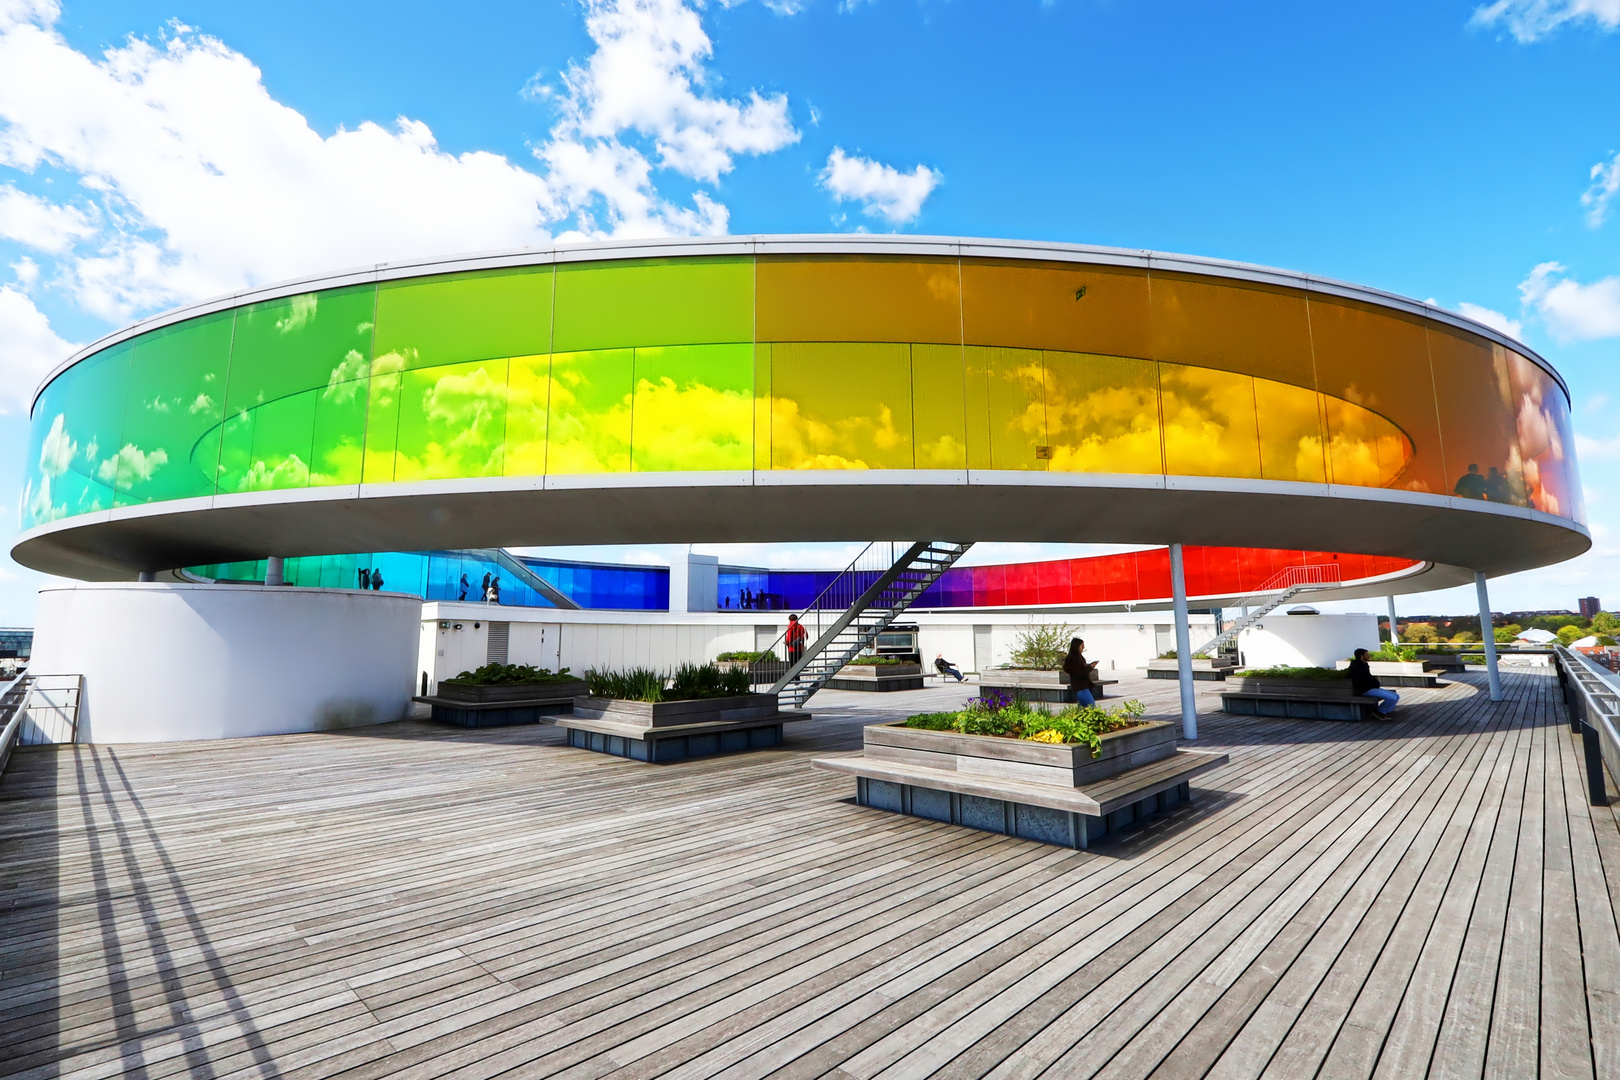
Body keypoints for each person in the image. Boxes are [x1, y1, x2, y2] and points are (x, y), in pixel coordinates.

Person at [1348, 647, 1398, 717]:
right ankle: (1379, 712)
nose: (1369, 656)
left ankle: (1383, 712)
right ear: (1362, 656)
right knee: (1392, 698)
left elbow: (1369, 678)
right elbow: (1362, 681)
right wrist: (1374, 684)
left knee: (1396, 696)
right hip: (1365, 690)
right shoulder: (1357, 667)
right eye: (1366, 654)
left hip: (1371, 688)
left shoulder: (1364, 665)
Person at [1062, 637, 1097, 706]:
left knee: (1086, 707)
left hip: (1083, 685)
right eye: (1082, 646)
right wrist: (1090, 667)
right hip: (1080, 686)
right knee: (1091, 706)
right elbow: (1080, 673)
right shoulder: (1074, 659)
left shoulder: (1079, 657)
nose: (1083, 648)